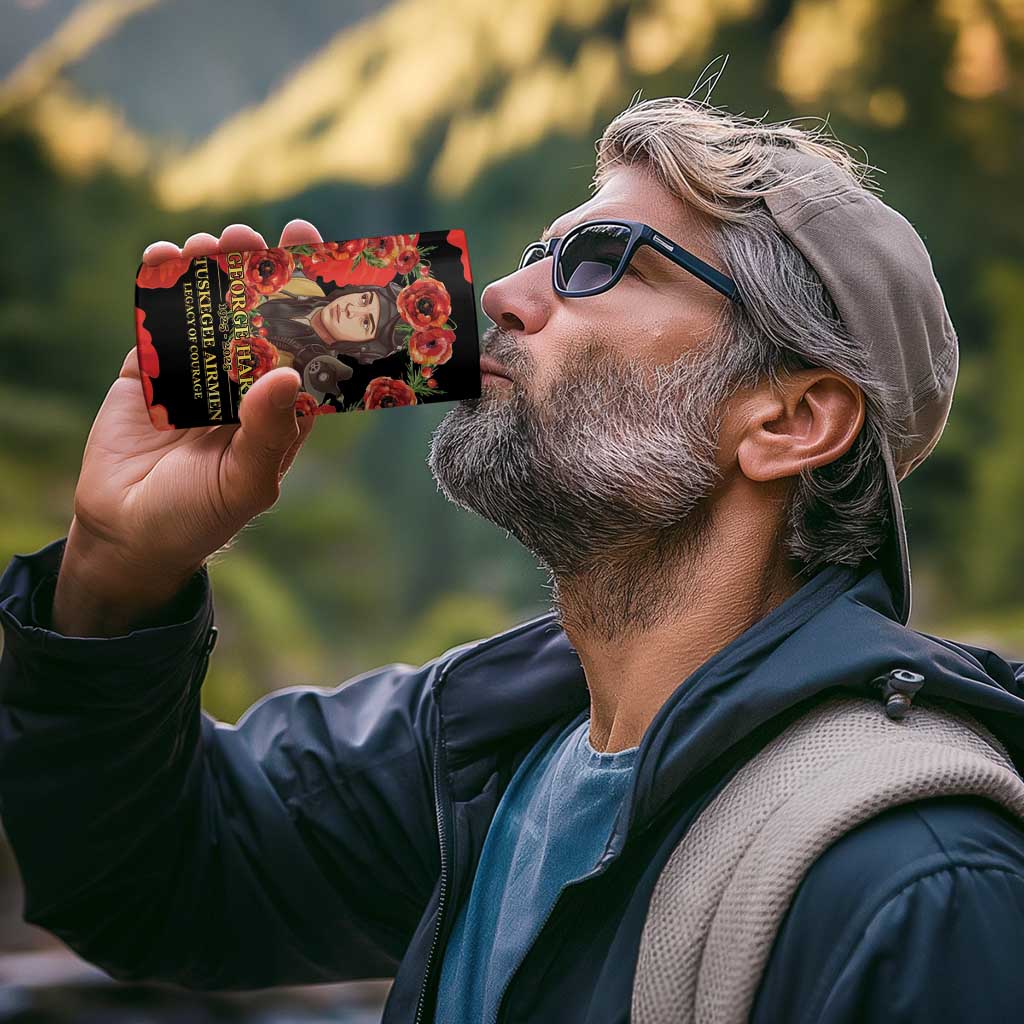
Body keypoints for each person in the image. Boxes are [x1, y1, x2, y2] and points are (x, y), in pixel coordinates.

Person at [2, 94, 1024, 1024]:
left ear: (790, 421)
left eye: (601, 261)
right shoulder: (483, 745)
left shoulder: (918, 887)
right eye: (541, 251)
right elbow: (150, 879)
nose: (500, 292)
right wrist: (116, 573)